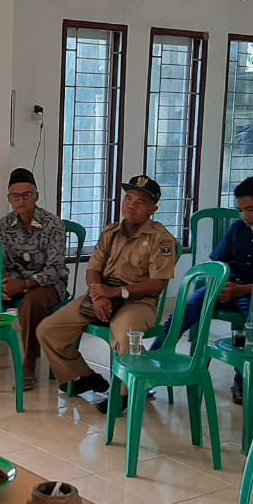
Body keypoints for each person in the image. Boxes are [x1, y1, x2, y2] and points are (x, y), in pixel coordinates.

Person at [37, 175, 178, 414]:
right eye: (129, 198)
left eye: (140, 201)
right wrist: (100, 295)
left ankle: (124, 393)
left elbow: (157, 285)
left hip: (138, 301)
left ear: (153, 208)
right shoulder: (111, 231)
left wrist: (115, 292)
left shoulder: (162, 239)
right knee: (49, 329)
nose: (131, 204)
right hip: (103, 293)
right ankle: (82, 376)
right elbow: (93, 269)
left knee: (124, 335)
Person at [164, 175, 253, 403]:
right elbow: (218, 262)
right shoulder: (237, 228)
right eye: (241, 210)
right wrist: (219, 284)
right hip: (226, 286)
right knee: (187, 309)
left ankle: (245, 380)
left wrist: (241, 290)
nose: (246, 216)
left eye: (251, 209)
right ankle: (157, 356)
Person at [0, 168, 68, 391]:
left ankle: (29, 362)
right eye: (15, 196)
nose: (21, 201)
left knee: (32, 303)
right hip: (14, 282)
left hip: (46, 285)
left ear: (36, 196)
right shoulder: (6, 224)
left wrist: (25, 284)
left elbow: (55, 269)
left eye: (27, 195)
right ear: (9, 199)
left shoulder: (53, 224)